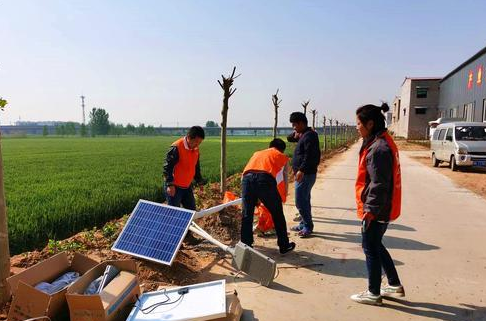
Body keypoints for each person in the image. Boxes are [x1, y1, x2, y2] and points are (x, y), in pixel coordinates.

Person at [350, 103, 405, 306]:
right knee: (376, 245)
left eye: (358, 123)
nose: (356, 127)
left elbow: (379, 184)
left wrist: (370, 211)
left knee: (370, 248)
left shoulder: (378, 148)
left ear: (370, 123)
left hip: (377, 209)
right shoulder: (380, 142)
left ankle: (373, 292)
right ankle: (393, 284)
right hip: (383, 206)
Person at [241, 138, 296, 254]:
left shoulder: (257, 153)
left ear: (270, 146)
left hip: (246, 179)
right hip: (264, 180)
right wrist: (283, 196)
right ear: (281, 150)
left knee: (247, 214)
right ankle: (284, 245)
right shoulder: (281, 156)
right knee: (277, 214)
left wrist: (253, 196)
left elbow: (246, 173)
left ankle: (246, 246)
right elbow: (284, 178)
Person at [163, 126, 205, 243]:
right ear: (189, 138)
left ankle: (187, 237)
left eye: (200, 142)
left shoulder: (195, 150)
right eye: (196, 141)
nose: (197, 145)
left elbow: (196, 167)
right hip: (175, 187)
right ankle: (173, 241)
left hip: (186, 186)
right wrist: (169, 184)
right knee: (174, 215)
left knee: (190, 211)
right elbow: (168, 167)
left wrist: (199, 181)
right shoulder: (176, 147)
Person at [287, 112, 321, 238]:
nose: (293, 127)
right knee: (305, 200)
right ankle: (304, 223)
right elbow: (289, 138)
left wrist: (301, 170)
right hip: (303, 174)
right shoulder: (303, 134)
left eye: (295, 125)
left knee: (300, 201)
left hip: (305, 174)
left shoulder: (310, 136)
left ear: (301, 123)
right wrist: (296, 134)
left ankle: (308, 226)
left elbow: (311, 156)